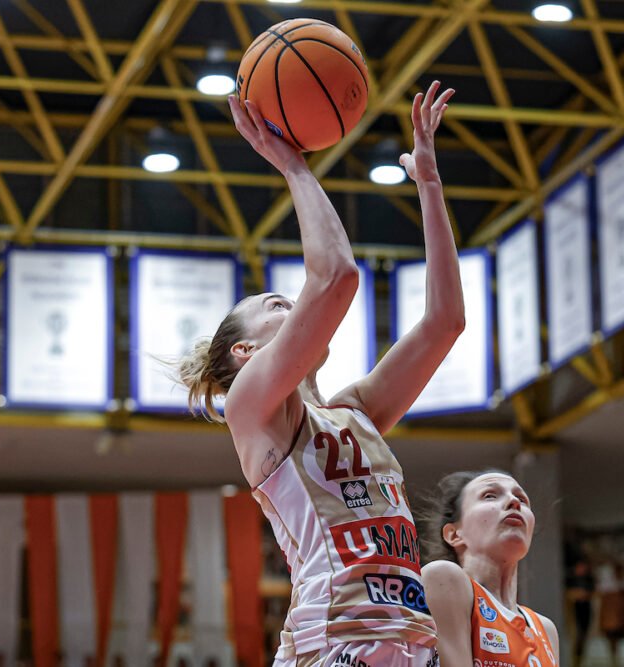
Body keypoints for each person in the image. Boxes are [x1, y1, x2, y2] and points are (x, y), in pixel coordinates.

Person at [180, 81, 462, 667]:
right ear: (246, 352)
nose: (297, 308)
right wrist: (292, 164)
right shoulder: (252, 409)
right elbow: (335, 276)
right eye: (277, 306)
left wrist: (430, 187)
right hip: (333, 641)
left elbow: (445, 322)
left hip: (411, 642)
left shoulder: (354, 412)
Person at [419, 471, 560, 667]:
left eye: (521, 499)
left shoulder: (545, 629)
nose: (514, 502)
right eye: (490, 496)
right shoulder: (442, 578)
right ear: (454, 534)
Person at [598, 560, 624, 667]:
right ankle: (613, 659)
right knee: (611, 639)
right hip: (611, 617)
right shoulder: (608, 584)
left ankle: (615, 659)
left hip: (619, 617)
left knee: (616, 640)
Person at [566, 559, 596, 666]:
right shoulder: (570, 580)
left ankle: (579, 661)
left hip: (585, 611)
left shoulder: (588, 580)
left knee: (582, 637)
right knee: (575, 636)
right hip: (573, 612)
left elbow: (592, 593)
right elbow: (569, 594)